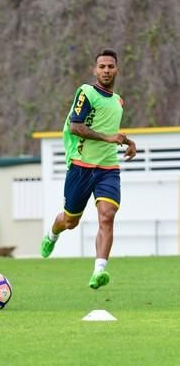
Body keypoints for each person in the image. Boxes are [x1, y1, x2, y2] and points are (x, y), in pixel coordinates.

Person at [40, 48, 137, 289]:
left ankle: (99, 271)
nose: (106, 70)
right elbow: (76, 127)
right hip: (81, 167)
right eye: (102, 66)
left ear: (117, 69)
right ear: (95, 70)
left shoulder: (118, 101)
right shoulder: (86, 92)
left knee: (107, 215)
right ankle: (53, 234)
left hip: (108, 169)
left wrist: (128, 142)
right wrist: (108, 138)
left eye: (110, 66)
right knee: (70, 221)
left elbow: (113, 133)